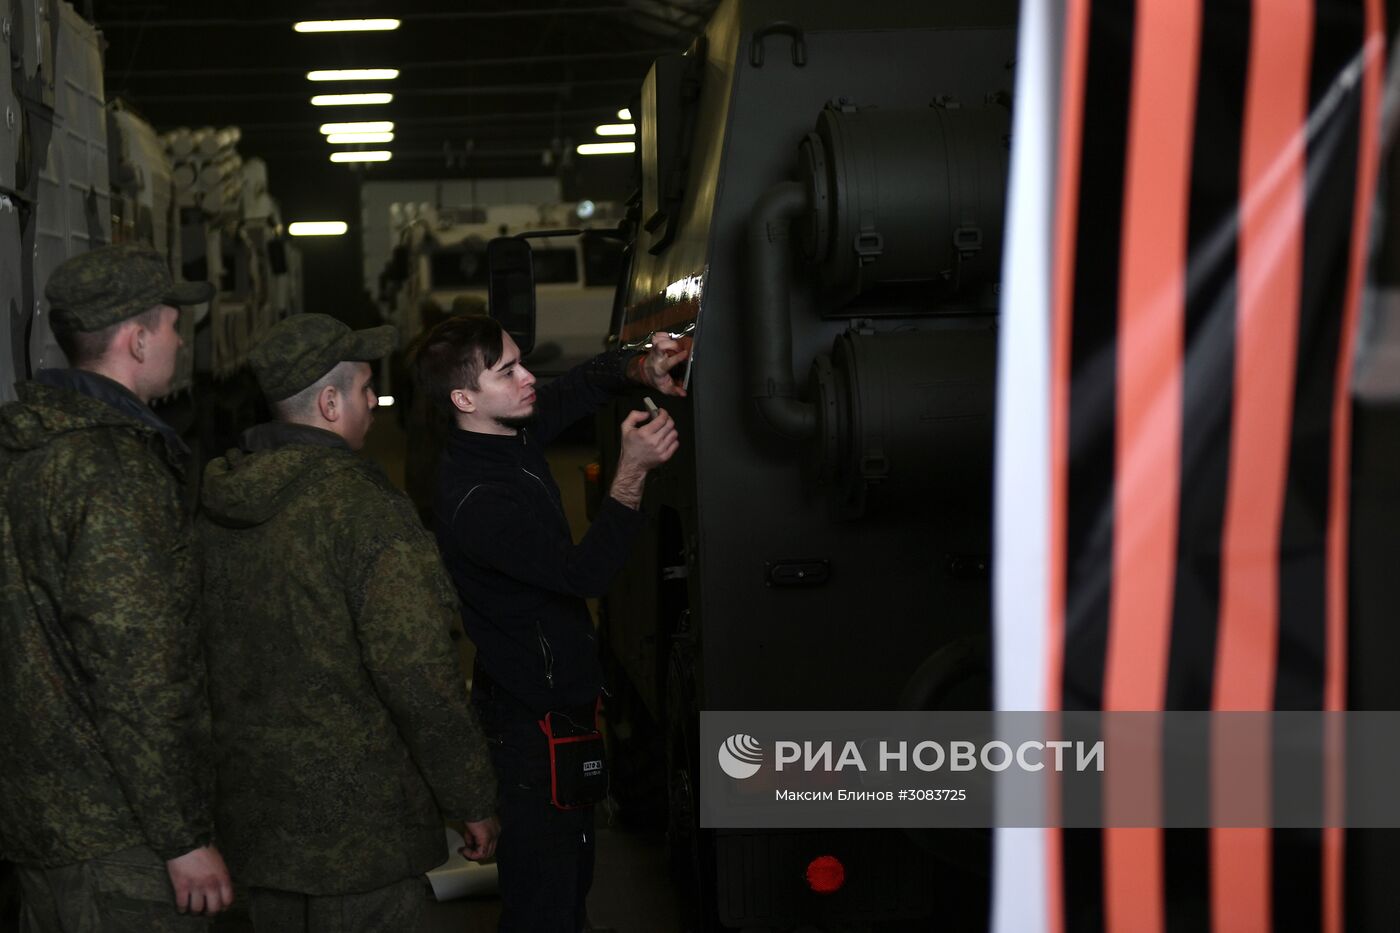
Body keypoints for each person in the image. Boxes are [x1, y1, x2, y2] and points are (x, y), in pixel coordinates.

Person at [198, 313, 499, 933]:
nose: (373, 403)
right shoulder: (362, 513)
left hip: (258, 830)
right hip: (363, 842)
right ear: (330, 403)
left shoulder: (219, 506)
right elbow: (419, 678)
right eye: (366, 390)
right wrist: (470, 798)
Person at [413, 314, 686, 932]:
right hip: (530, 727)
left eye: (520, 360)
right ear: (464, 399)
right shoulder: (478, 499)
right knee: (544, 897)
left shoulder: (509, 433)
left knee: (570, 878)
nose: (529, 377)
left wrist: (640, 366)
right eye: (507, 371)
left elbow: (580, 386)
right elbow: (583, 574)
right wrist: (633, 471)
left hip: (556, 702)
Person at [0, 243, 233, 930]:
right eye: (169, 325)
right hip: (118, 832)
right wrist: (183, 836)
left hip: (37, 820)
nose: (179, 341)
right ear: (135, 341)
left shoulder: (23, 448)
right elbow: (137, 672)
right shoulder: (113, 471)